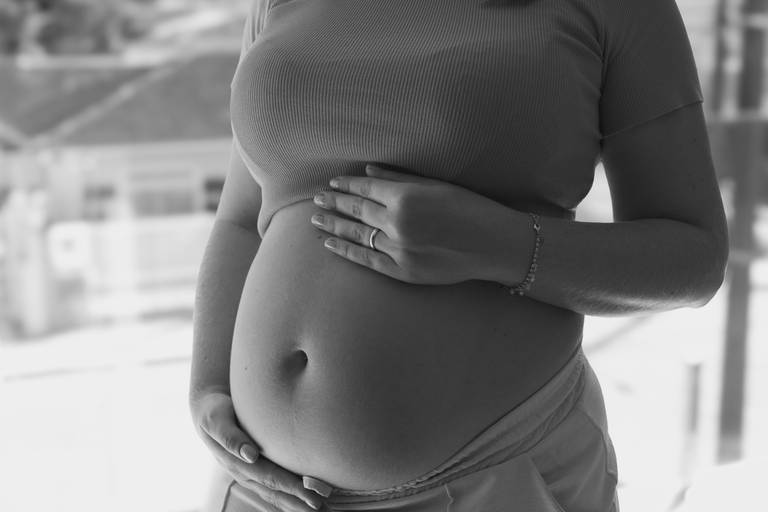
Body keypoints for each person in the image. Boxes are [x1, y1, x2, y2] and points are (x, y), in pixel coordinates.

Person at [189, 0, 729, 510]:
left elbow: (694, 258)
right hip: (263, 489)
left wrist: (498, 245)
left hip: (492, 479)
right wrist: (209, 388)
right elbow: (242, 219)